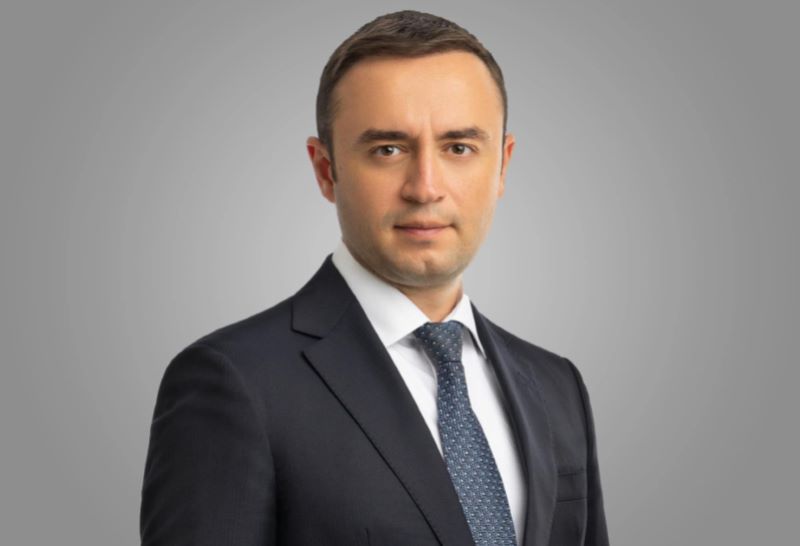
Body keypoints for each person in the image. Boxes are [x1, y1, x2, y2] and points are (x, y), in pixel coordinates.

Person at [140, 10, 609, 546]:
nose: (425, 187)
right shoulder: (235, 382)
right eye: (388, 149)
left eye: (458, 148)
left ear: (502, 165)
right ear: (326, 170)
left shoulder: (557, 386)